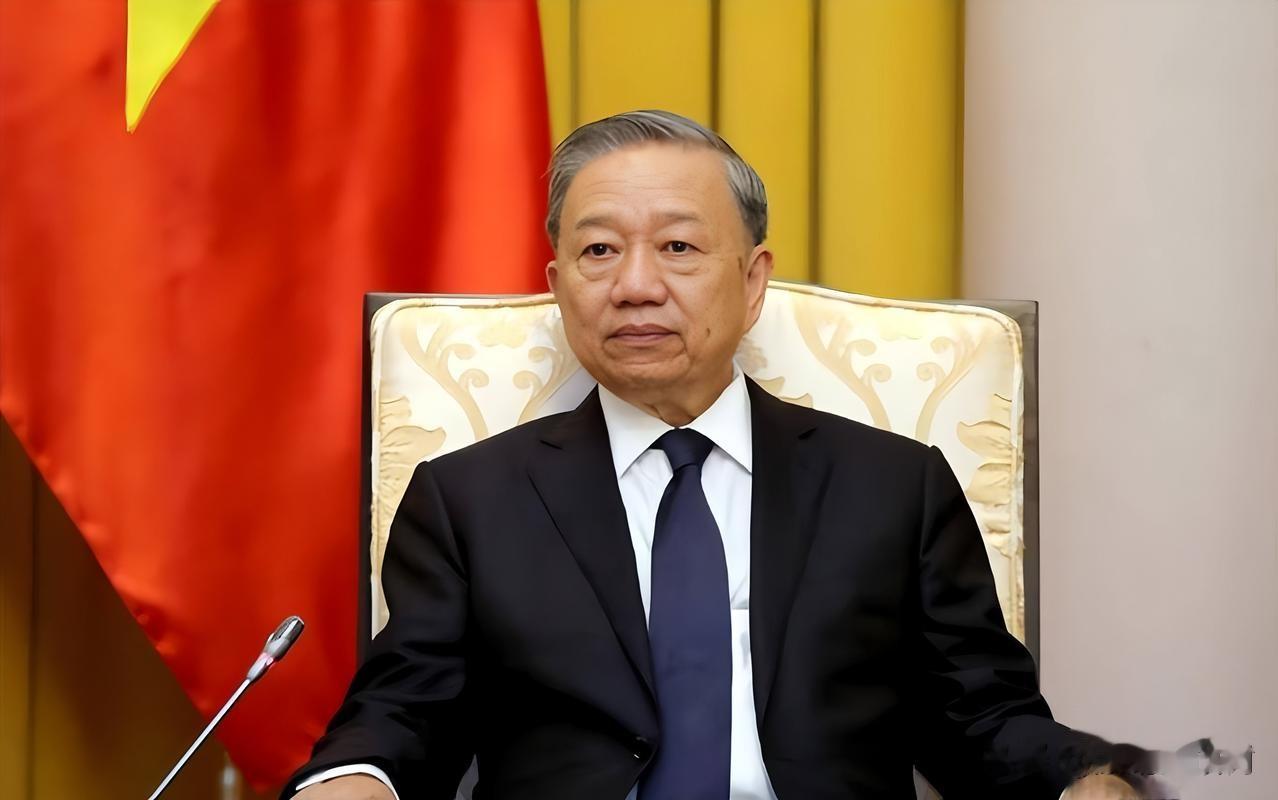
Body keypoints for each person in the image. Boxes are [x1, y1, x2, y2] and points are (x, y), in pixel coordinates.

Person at [286, 111, 1149, 800]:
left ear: (753, 280)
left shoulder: (894, 487)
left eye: (679, 247)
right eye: (597, 250)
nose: (635, 286)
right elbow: (405, 711)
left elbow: (984, 718)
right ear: (558, 286)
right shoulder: (468, 501)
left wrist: (1087, 779)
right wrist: (355, 779)